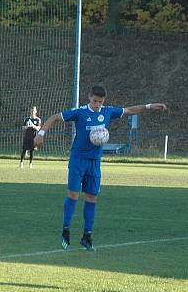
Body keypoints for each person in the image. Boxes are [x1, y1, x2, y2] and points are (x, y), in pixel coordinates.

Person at [34, 85, 168, 251]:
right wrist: (40, 134)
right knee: (74, 194)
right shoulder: (80, 112)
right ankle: (65, 232)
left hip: (95, 161)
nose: (97, 105)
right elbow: (54, 117)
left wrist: (149, 106)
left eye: (100, 102)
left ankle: (87, 237)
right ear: (89, 97)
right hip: (78, 159)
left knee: (92, 197)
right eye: (95, 101)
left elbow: (129, 110)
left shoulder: (107, 112)